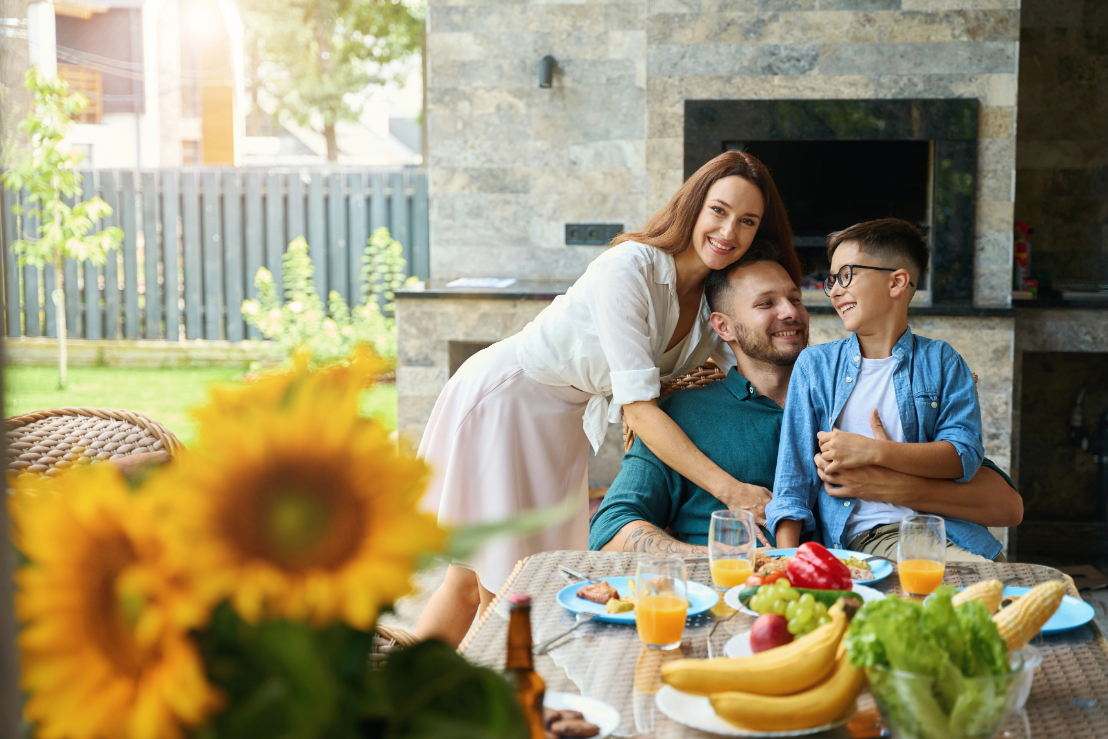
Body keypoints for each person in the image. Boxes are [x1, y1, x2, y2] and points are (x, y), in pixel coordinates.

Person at [414, 151, 802, 647]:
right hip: (508, 401)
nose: (730, 231)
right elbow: (638, 407)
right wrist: (733, 492)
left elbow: (746, 372)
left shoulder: (711, 301)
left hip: (562, 423)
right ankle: (494, 705)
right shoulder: (631, 267)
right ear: (692, 208)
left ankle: (397, 697)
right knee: (505, 588)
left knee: (471, 579)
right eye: (719, 211)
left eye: (747, 221)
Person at [589, 241, 1022, 556]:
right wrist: (711, 561)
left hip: (853, 587)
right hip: (724, 593)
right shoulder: (685, 415)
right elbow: (610, 528)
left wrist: (883, 479)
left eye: (794, 298)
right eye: (766, 303)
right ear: (723, 327)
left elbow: (1004, 504)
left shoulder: (849, 394)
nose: (790, 312)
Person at [768, 218, 999, 561]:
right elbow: (792, 483)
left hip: (949, 530)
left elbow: (963, 455)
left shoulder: (942, 361)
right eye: (832, 280)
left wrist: (874, 452)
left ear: (897, 282)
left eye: (846, 275)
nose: (835, 290)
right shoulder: (815, 367)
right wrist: (786, 563)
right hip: (870, 539)